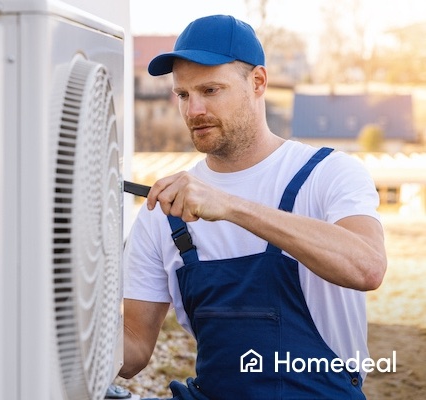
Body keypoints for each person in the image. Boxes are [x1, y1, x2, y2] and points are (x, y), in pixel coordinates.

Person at [119, 14, 387, 400]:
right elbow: (133, 353)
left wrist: (230, 206)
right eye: (183, 94)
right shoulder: (163, 210)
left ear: (258, 82)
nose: (193, 110)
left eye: (210, 90)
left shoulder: (329, 173)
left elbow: (368, 267)